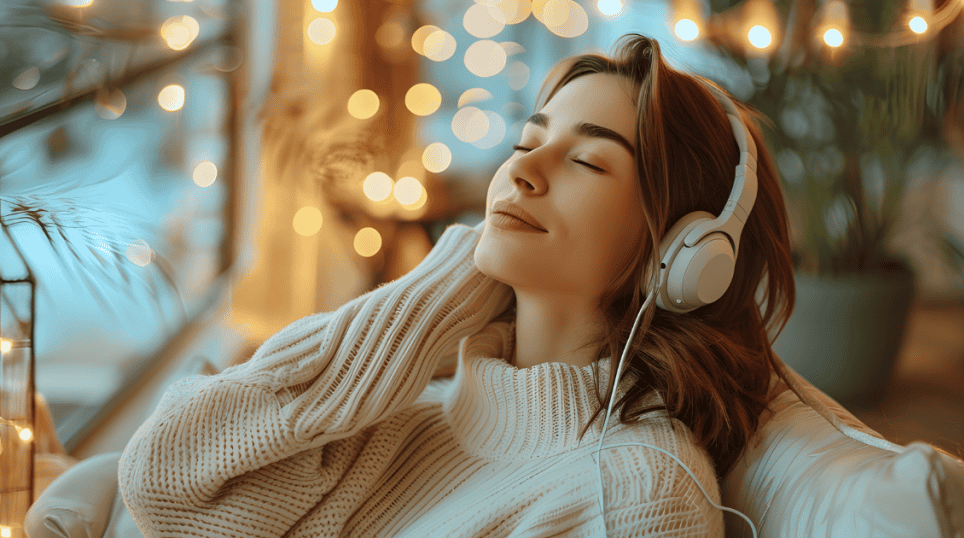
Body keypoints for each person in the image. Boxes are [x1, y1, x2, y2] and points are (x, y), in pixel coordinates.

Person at [117, 33, 795, 537]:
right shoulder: (416, 408)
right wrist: (433, 296)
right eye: (527, 143)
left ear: (682, 252)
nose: (523, 171)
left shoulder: (635, 498)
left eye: (588, 161)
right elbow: (163, 484)